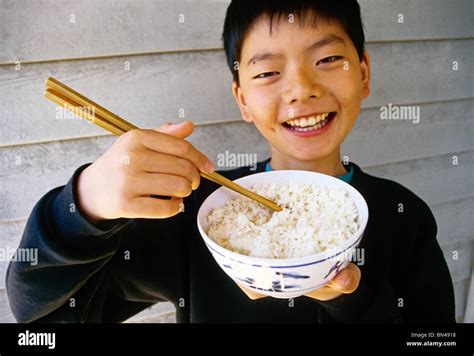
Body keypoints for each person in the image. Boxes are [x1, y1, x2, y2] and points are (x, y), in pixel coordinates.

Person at [6, 0, 455, 323]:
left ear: (364, 72)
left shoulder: (404, 215)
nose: (301, 89)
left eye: (328, 58)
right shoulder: (200, 212)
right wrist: (83, 207)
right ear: (242, 99)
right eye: (266, 72)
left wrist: (350, 300)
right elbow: (40, 319)